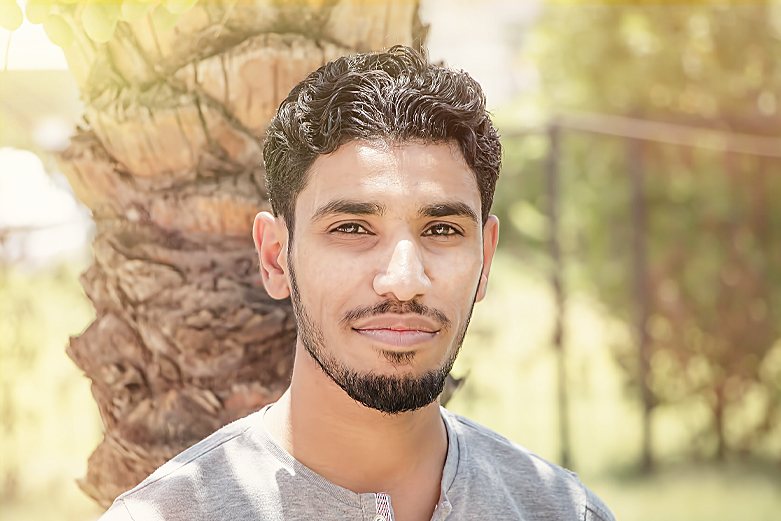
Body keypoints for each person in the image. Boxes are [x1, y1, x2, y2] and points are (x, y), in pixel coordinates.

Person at [100, 45, 615, 521]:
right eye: (351, 228)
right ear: (276, 257)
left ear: (485, 258)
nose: (404, 282)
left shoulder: (564, 512)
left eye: (442, 230)